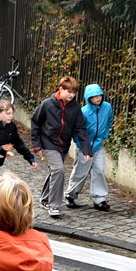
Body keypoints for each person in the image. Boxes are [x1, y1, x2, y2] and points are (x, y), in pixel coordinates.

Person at [30, 75, 92, 218]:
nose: (72, 95)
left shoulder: (75, 107)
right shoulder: (47, 104)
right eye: (69, 91)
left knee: (54, 171)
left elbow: (81, 129)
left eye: (74, 92)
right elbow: (35, 123)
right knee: (59, 170)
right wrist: (37, 146)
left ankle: (44, 199)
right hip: (48, 142)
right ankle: (54, 205)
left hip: (63, 144)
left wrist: (86, 150)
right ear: (61, 89)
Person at [66, 83, 114, 211]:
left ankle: (99, 199)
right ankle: (70, 195)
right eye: (94, 96)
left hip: (98, 146)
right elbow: (76, 130)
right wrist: (80, 144)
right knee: (80, 172)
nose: (98, 98)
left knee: (99, 171)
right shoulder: (83, 112)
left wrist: (104, 136)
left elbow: (109, 121)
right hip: (84, 147)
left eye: (99, 95)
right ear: (88, 98)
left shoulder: (107, 107)